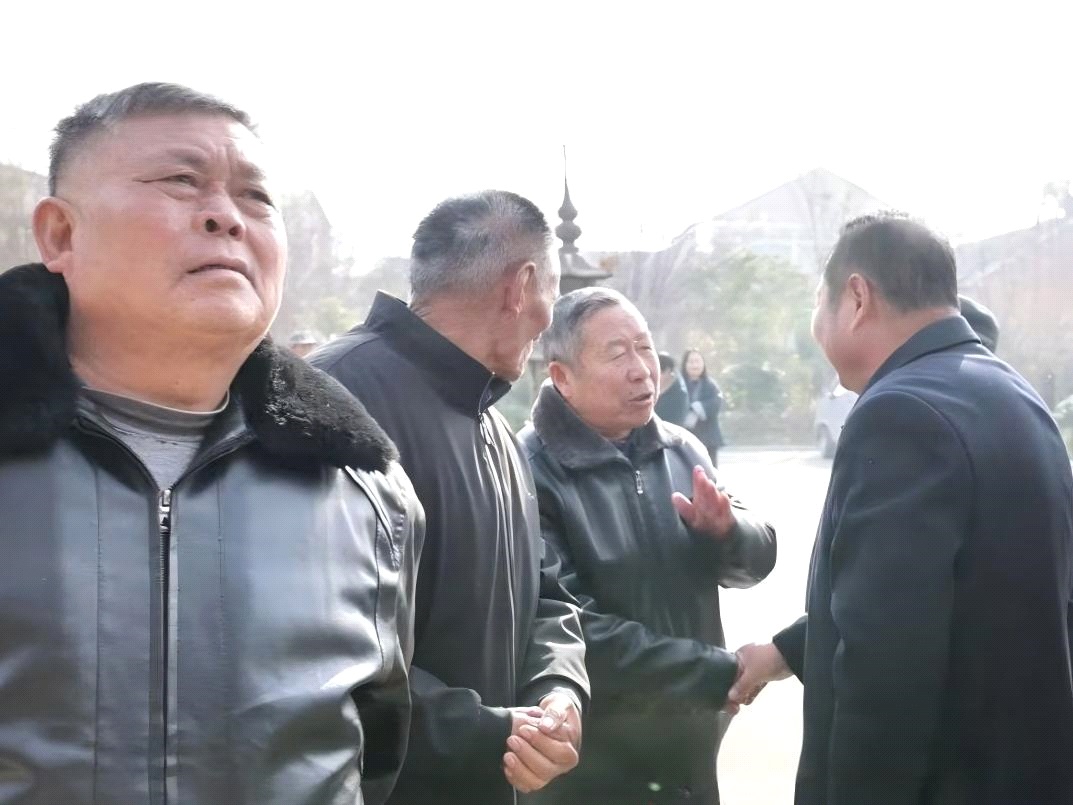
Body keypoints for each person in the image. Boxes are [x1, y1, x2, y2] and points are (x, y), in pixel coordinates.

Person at [0, 83, 423, 804]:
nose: (226, 216)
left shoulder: (367, 495)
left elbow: (373, 752)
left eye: (256, 197)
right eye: (180, 181)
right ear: (61, 235)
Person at [728, 213, 1073, 805]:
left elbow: (886, 666)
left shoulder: (900, 414)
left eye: (818, 302)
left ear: (857, 298)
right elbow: (960, 597)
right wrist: (787, 651)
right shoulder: (1013, 394)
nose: (815, 322)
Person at [312, 191, 589, 805]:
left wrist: (558, 692)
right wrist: (486, 732)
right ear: (521, 287)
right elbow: (316, 641)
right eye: (551, 292)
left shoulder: (493, 423)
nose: (548, 323)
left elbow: (545, 592)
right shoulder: (334, 398)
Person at [518, 288, 777, 805]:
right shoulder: (530, 470)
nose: (641, 370)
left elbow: (754, 563)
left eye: (644, 347)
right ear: (562, 377)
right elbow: (572, 628)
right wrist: (715, 671)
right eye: (617, 354)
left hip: (691, 753)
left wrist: (728, 531)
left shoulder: (681, 449)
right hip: (591, 761)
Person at [680, 348, 725, 467]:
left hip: (708, 438)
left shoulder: (711, 385)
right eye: (691, 362)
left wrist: (698, 408)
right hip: (684, 438)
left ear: (703, 364)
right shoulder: (678, 385)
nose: (695, 365)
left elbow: (717, 402)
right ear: (685, 364)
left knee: (709, 471)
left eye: (698, 361)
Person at [654, 350, 689, 426]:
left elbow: (676, 424)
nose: (655, 376)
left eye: (660, 373)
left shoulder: (679, 395)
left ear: (669, 371)